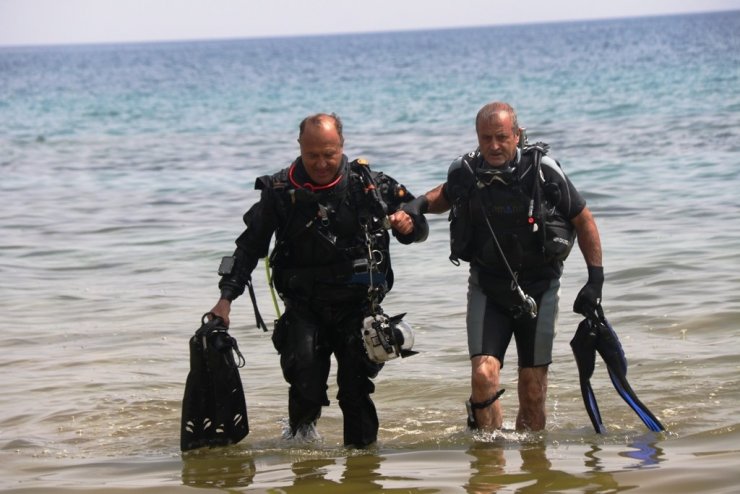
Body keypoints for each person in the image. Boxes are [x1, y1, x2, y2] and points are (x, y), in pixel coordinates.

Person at [208, 113, 428, 448]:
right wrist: (225, 298)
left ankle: (363, 469)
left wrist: (409, 225)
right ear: (299, 147)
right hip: (304, 307)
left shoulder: (370, 185)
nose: (322, 163)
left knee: (355, 390)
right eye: (313, 156)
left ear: (342, 146)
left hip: (359, 307)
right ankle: (301, 461)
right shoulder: (280, 191)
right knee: (306, 385)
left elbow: (417, 221)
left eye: (330, 154)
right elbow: (248, 247)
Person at [401, 101, 604, 431]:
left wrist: (595, 281)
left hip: (540, 287)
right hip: (488, 287)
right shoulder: (467, 171)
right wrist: (416, 206)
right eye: (486, 138)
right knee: (483, 376)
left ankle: (533, 470)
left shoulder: (543, 170)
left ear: (517, 134)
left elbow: (583, 219)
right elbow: (445, 194)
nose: (494, 146)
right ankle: (488, 462)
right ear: (477, 138)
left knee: (533, 390)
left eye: (501, 137)